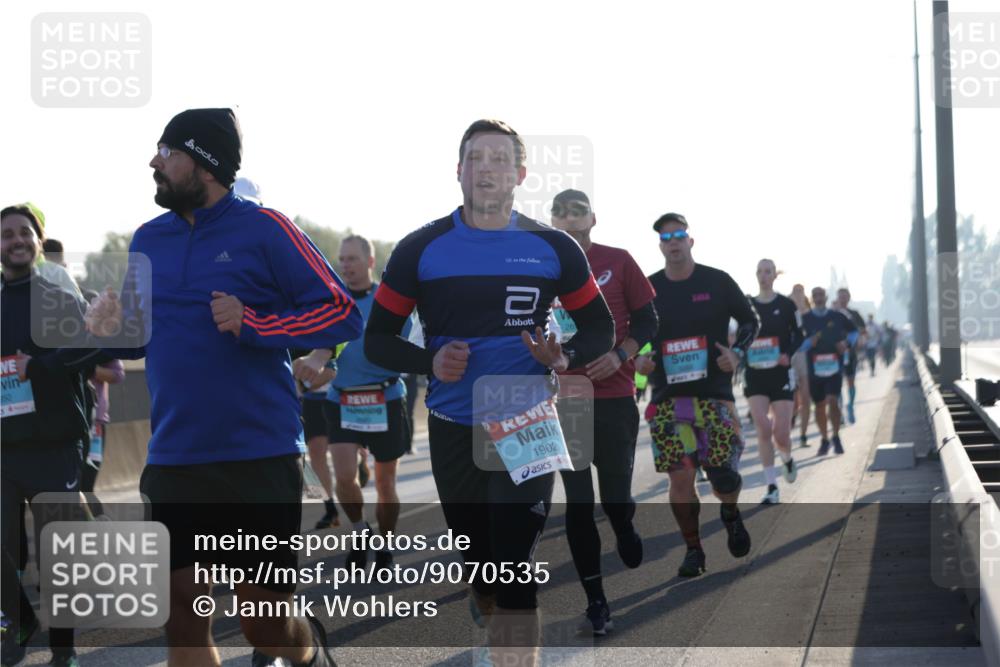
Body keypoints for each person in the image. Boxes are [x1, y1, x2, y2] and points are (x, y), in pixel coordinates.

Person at [84, 108, 362, 667]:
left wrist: (257, 324)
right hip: (175, 456)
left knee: (263, 624)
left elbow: (342, 314)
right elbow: (140, 341)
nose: (154, 163)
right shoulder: (148, 238)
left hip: (256, 455)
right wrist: (109, 329)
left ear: (204, 164)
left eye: (167, 152)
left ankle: (305, 652)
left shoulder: (267, 228)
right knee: (182, 617)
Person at [364, 120, 614, 666]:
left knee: (514, 564)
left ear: (520, 174)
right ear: (459, 171)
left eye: (501, 159)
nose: (488, 169)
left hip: (525, 416)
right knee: (480, 563)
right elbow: (377, 341)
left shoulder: (554, 247)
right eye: (476, 158)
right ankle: (487, 603)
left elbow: (599, 326)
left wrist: (563, 356)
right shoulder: (419, 249)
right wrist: (428, 360)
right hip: (454, 425)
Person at [1, 205, 108, 667]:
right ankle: (18, 623)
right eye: (6, 235)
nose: (15, 240)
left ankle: (64, 650)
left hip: (54, 446)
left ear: (39, 242)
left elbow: (89, 350)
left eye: (24, 232)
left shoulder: (59, 297)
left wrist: (37, 367)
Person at [548, 189, 658, 634]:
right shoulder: (542, 270)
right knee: (577, 504)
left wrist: (621, 354)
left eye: (578, 212)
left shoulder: (620, 260)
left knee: (614, 499)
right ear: (552, 222)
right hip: (568, 400)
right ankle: (596, 600)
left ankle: (624, 526)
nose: (570, 219)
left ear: (593, 219)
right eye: (561, 213)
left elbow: (650, 321)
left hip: (614, 397)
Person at [644, 212, 759, 578]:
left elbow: (751, 320)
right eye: (666, 237)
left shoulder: (718, 281)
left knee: (723, 474)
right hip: (668, 398)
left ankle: (730, 511)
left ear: (690, 240)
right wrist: (639, 359)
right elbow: (631, 332)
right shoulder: (649, 289)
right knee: (680, 478)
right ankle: (693, 550)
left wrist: (737, 352)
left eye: (678, 235)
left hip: (714, 394)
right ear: (660, 245)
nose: (673, 242)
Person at [306, 235, 413, 572]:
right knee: (345, 476)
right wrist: (316, 363)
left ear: (369, 261)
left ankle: (385, 543)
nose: (345, 266)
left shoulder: (389, 299)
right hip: (342, 399)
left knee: (385, 483)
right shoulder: (333, 302)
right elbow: (322, 346)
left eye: (352, 259)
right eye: (342, 259)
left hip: (386, 397)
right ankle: (359, 530)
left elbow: (402, 343)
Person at [746, 260, 802, 505]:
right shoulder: (747, 306)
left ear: (774, 275)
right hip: (755, 373)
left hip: (780, 373)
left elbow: (799, 335)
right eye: (759, 271)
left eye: (768, 271)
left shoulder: (786, 305)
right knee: (763, 428)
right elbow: (739, 333)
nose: (763, 275)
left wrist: (787, 353)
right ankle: (771, 486)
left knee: (781, 433)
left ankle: (787, 458)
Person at [798, 287, 858, 456]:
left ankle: (836, 436)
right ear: (812, 298)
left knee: (833, 400)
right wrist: (810, 342)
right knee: (819, 405)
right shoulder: (805, 319)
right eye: (815, 295)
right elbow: (797, 343)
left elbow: (854, 332)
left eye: (821, 295)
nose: (818, 298)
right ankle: (825, 439)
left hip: (834, 367)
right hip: (814, 369)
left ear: (826, 297)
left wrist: (846, 344)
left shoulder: (837, 316)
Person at [788, 283, 812, 447]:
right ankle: (787, 431)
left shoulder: (810, 315)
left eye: (800, 291)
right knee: (791, 400)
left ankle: (803, 435)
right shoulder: (787, 311)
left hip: (805, 357)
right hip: (790, 358)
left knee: (806, 397)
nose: (797, 294)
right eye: (795, 291)